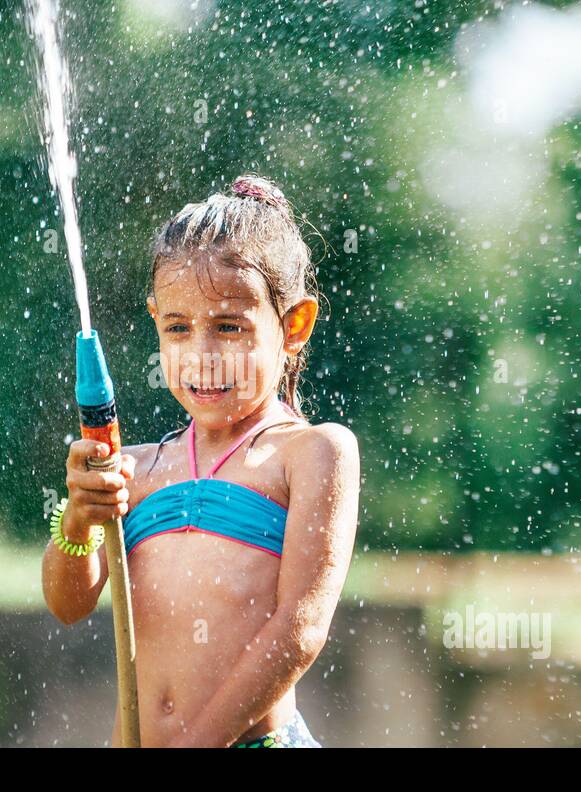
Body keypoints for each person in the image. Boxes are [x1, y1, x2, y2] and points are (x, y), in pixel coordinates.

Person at [42, 174, 360, 747]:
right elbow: (68, 605)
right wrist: (77, 522)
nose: (202, 355)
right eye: (179, 328)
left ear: (294, 326)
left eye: (229, 327)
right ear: (155, 321)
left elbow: (300, 628)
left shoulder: (310, 453)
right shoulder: (134, 467)